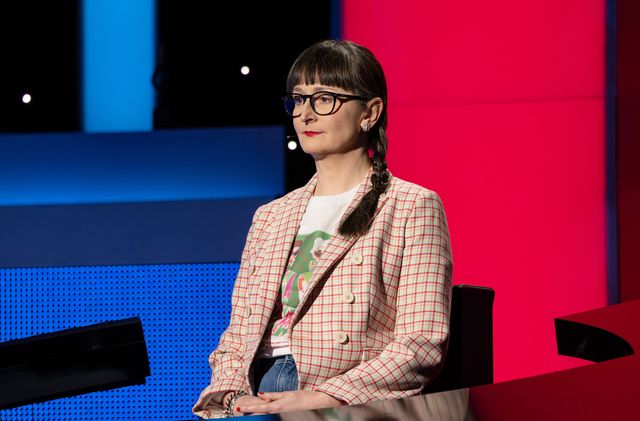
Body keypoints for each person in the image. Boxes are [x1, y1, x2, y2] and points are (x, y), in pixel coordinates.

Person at [193, 39, 453, 418]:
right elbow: (239, 332)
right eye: (298, 100)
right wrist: (230, 395)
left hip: (345, 396)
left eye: (324, 99)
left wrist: (325, 396)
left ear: (369, 113)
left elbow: (420, 342)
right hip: (258, 391)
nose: (305, 114)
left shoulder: (410, 205)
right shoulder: (271, 216)